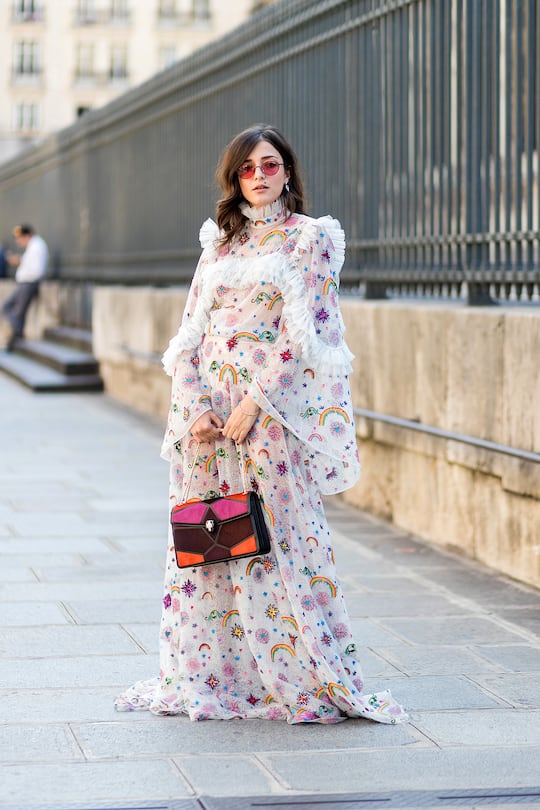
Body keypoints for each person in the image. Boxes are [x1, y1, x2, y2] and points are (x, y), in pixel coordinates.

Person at [115, 124, 407, 724]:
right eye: (247, 169)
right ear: (234, 178)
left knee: (278, 542)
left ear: (288, 171)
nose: (259, 177)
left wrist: (254, 403)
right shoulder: (218, 246)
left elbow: (306, 336)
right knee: (211, 543)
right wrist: (196, 405)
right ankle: (216, 675)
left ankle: (297, 674)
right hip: (208, 426)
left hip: (266, 421)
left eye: (269, 165)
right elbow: (189, 335)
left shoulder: (310, 240)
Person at [2, 224, 48, 351]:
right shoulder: (33, 247)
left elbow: (36, 270)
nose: (18, 241)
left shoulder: (37, 246)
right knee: (16, 312)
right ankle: (17, 337)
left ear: (27, 236)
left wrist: (20, 261)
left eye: (20, 238)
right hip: (25, 283)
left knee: (12, 309)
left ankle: (17, 337)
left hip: (29, 283)